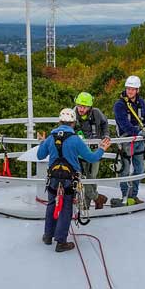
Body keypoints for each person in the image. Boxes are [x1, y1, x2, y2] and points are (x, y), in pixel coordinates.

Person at [38, 108, 111, 253]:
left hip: (53, 177)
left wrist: (42, 142)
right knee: (66, 208)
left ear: (59, 122)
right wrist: (102, 148)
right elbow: (92, 158)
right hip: (69, 179)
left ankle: (48, 236)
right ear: (73, 123)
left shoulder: (51, 138)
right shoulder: (75, 140)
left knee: (51, 204)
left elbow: (40, 155)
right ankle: (61, 241)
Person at [112, 75, 145, 206]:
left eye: (133, 89)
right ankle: (125, 196)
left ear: (138, 90)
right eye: (128, 88)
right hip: (126, 140)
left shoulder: (141, 103)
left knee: (140, 168)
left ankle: (133, 195)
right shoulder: (119, 105)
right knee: (124, 170)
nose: (130, 91)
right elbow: (124, 124)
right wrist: (139, 132)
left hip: (139, 140)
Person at [72, 92, 112, 210]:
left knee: (92, 178)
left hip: (95, 152)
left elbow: (105, 124)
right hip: (79, 153)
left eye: (84, 107)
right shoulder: (73, 114)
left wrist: (106, 135)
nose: (81, 109)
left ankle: (88, 204)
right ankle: (97, 199)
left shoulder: (96, 113)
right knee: (82, 179)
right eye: (79, 106)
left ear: (90, 107)